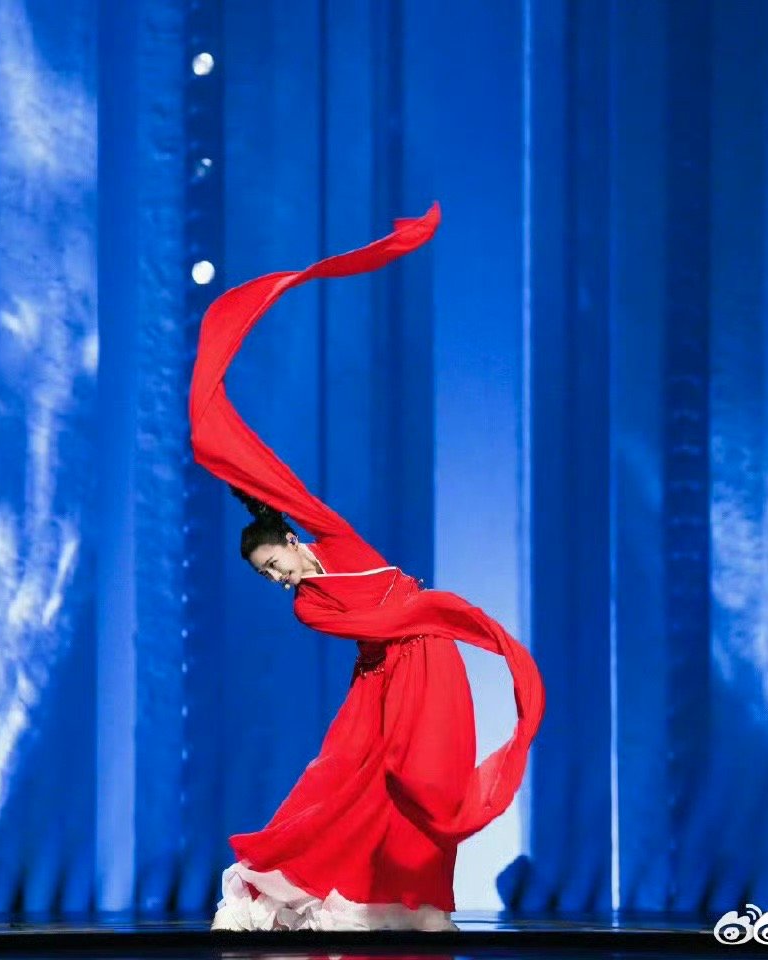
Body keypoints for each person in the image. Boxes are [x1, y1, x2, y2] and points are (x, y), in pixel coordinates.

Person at [188, 202, 545, 931]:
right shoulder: (310, 605)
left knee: (425, 787)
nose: (278, 578)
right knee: (343, 783)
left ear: (291, 540)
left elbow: (276, 484)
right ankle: (312, 893)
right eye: (265, 576)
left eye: (274, 561)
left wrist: (220, 443)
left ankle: (414, 901)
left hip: (429, 661)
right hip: (382, 678)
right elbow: (372, 627)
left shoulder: (333, 539)